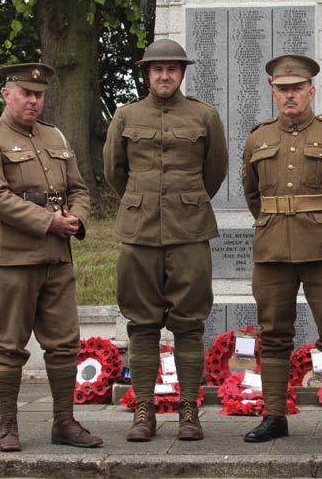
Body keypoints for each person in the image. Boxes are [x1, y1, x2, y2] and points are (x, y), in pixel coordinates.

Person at [0, 62, 102, 452]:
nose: (33, 100)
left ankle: (64, 422)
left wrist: (77, 219)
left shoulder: (54, 135)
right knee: (10, 345)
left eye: (39, 94)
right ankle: (8, 426)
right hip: (12, 259)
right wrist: (48, 222)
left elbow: (79, 188)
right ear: (6, 94)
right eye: (26, 93)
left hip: (57, 258)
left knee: (64, 344)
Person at [103, 39, 228, 442]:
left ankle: (189, 409)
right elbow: (114, 172)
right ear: (147, 74)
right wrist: (141, 201)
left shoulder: (204, 116)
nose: (164, 75)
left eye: (172, 69)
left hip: (189, 232)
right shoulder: (126, 115)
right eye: (157, 69)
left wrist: (185, 201)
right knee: (141, 324)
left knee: (189, 324)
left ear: (182, 73)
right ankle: (144, 410)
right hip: (138, 233)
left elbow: (215, 171)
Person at [241, 54, 322, 444]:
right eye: (283, 89)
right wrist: (276, 221)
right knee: (273, 332)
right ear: (273, 92)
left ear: (311, 91)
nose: (290, 95)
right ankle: (274, 416)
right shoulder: (258, 138)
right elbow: (252, 194)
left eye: (297, 88)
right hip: (272, 250)